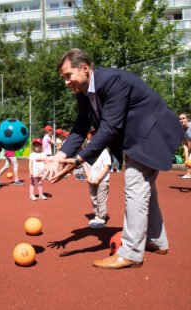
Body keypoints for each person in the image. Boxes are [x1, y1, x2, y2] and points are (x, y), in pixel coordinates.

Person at [41, 48, 184, 269]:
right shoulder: (84, 92)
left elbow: (110, 127)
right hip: (139, 139)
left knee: (135, 187)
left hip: (152, 134)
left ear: (85, 68)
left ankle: (130, 253)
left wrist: (79, 161)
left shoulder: (113, 81)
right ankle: (156, 241)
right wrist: (59, 156)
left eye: (68, 75)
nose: (66, 82)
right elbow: (81, 126)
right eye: (63, 78)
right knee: (145, 190)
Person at [82, 142, 111, 228]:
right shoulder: (88, 151)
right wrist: (88, 177)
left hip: (102, 180)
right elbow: (85, 165)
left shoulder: (104, 152)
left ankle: (101, 218)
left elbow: (106, 166)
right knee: (93, 198)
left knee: (101, 199)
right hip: (92, 180)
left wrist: (98, 179)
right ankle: (97, 215)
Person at [178, 112, 191, 178]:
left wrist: (188, 154)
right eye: (180, 119)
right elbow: (185, 143)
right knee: (189, 161)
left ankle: (189, 174)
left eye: (184, 118)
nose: (182, 120)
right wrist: (186, 157)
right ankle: (189, 174)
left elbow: (190, 143)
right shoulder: (181, 130)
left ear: (187, 119)